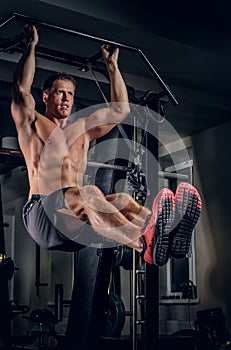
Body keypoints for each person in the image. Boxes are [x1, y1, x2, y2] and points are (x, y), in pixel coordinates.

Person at [11, 25, 202, 267]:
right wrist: (31, 46)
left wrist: (112, 66)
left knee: (122, 199)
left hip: (74, 221)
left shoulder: (81, 130)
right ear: (46, 96)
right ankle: (143, 245)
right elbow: (20, 91)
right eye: (60, 92)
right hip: (42, 213)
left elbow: (120, 110)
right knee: (88, 193)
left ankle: (168, 235)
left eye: (70, 93)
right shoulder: (33, 123)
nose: (67, 98)